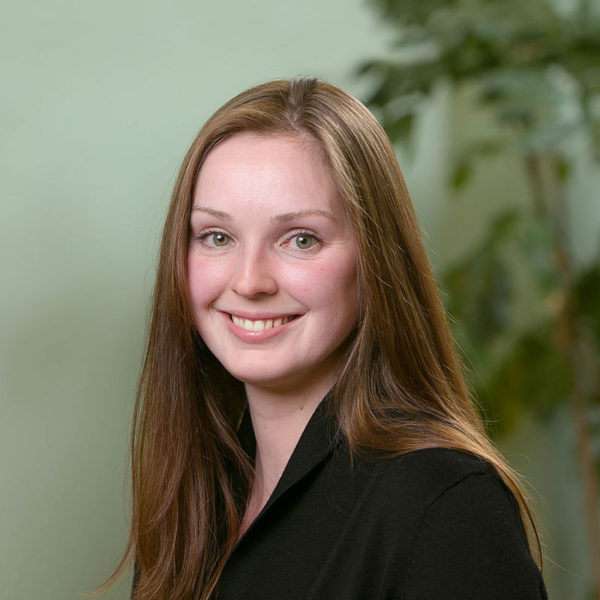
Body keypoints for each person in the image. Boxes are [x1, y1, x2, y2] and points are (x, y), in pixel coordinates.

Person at [109, 78, 548, 599]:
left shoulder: (448, 505)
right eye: (217, 237)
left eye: (300, 239)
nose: (249, 281)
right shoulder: (198, 500)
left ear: (375, 260)